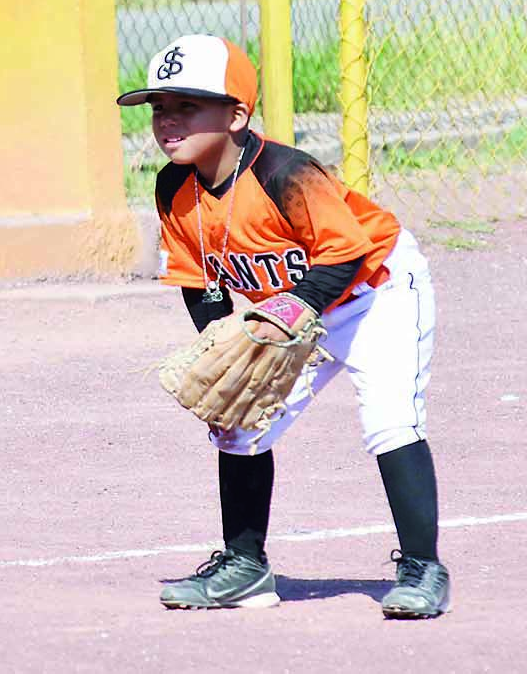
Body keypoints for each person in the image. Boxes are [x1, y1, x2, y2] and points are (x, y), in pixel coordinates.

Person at [120, 34, 450, 619]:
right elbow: (201, 281)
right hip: (288, 307)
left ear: (238, 115)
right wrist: (227, 344)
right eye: (160, 107)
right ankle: (245, 567)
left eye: (187, 106)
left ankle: (423, 568)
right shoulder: (174, 187)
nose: (167, 120)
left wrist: (290, 314)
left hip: (377, 291)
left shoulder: (284, 173)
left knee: (389, 418)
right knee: (238, 416)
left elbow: (346, 254)